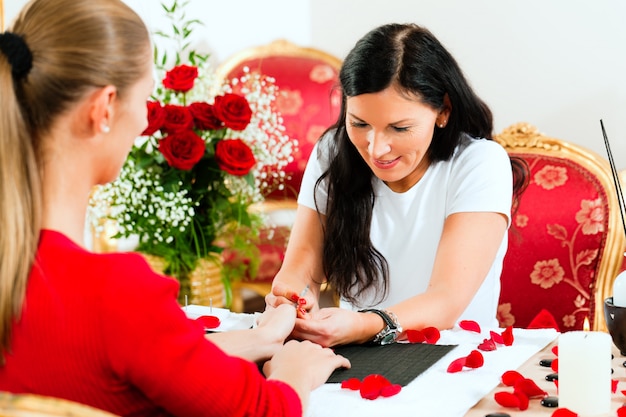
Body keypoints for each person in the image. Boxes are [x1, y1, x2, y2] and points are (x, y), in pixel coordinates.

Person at [0, 0, 349, 416]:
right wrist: (294, 369)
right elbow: (265, 411)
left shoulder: (28, 277)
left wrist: (262, 339)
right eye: (145, 98)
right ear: (104, 109)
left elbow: (146, 353)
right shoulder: (116, 293)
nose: (146, 122)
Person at [266, 23, 529, 348]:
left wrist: (365, 324)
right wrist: (293, 301)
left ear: (443, 110)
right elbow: (301, 266)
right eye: (360, 123)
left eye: (399, 128)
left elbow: (446, 300)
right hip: (354, 353)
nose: (376, 149)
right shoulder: (333, 152)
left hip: (452, 357)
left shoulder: (479, 163)